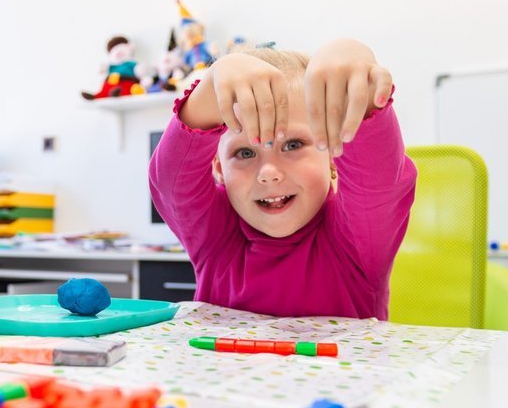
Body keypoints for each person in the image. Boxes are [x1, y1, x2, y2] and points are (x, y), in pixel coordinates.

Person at [148, 39, 416, 320]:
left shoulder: (357, 241)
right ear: (218, 168)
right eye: (245, 152)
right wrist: (211, 85)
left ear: (332, 157)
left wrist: (355, 74)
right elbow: (171, 181)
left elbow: (378, 180)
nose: (268, 173)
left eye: (292, 145)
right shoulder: (216, 237)